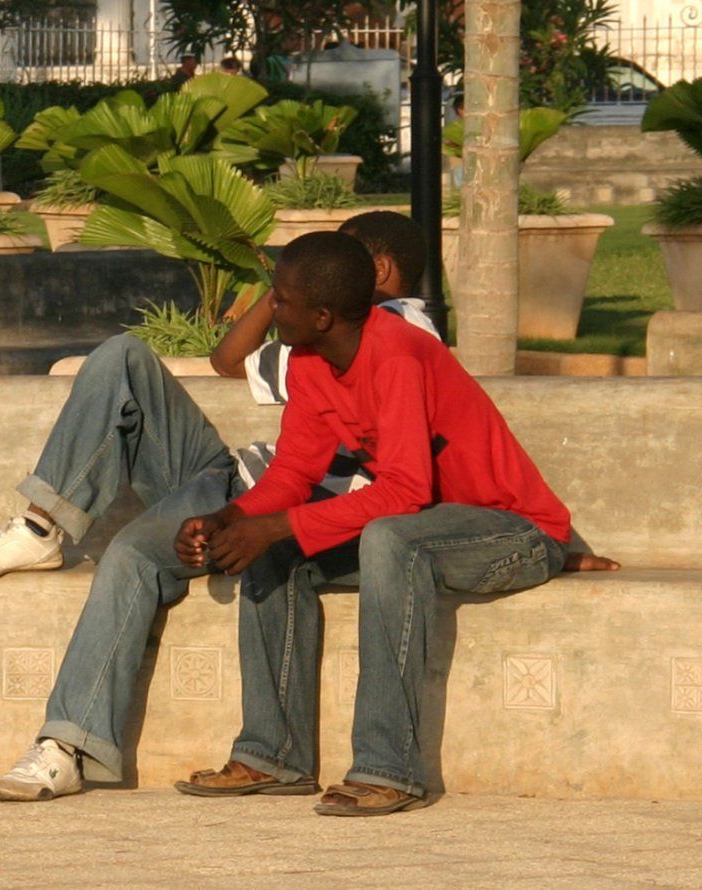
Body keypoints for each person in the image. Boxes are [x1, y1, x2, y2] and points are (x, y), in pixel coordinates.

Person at [0, 211, 516, 802]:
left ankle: (66, 747)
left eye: (327, 265)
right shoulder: (318, 344)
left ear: (365, 276)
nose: (284, 299)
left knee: (130, 555)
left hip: (275, 501)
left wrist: (258, 519)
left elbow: (387, 481)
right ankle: (42, 523)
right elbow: (235, 367)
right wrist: (281, 291)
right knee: (123, 356)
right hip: (242, 482)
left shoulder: (395, 333)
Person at [172, 232, 617, 816]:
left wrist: (277, 525)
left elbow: (406, 492)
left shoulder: (398, 355)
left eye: (280, 300)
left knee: (384, 537)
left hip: (515, 532)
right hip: (431, 533)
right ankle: (271, 756)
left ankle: (389, 770)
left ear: (322, 316)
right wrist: (229, 517)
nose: (271, 308)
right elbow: (294, 473)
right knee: (273, 551)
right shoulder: (309, 361)